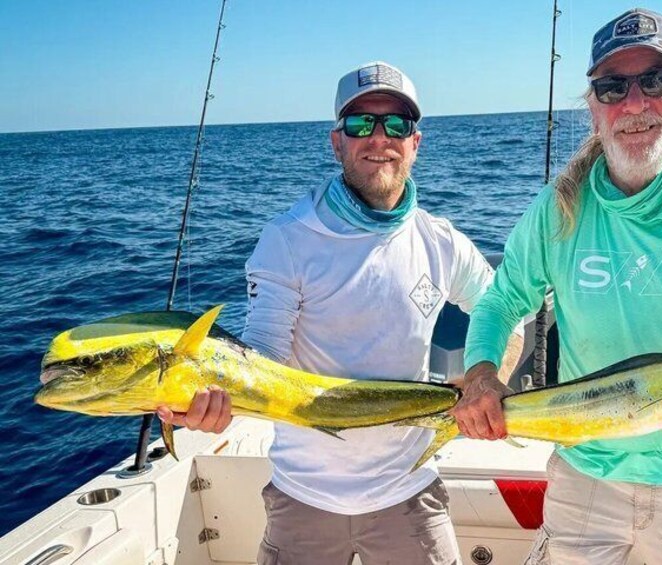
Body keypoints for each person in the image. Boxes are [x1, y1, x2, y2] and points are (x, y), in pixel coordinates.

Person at [454, 8, 662, 565]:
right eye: (612, 87)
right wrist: (482, 374)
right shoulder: (558, 207)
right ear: (592, 106)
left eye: (656, 81)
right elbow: (502, 300)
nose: (634, 104)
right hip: (584, 475)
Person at [158, 61, 522, 565]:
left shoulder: (441, 241)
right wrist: (213, 400)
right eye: (360, 123)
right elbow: (261, 356)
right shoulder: (288, 238)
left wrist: (485, 379)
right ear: (336, 142)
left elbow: (503, 310)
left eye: (396, 124)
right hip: (303, 497)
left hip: (409, 491)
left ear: (415, 143)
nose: (379, 138)